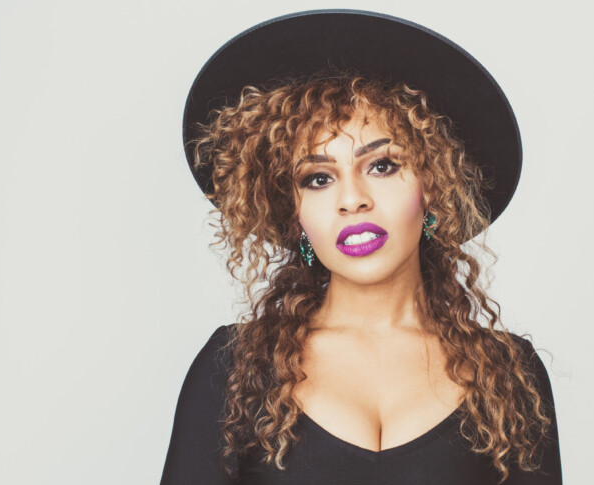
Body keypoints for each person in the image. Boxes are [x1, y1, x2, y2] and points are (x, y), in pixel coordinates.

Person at [161, 10, 561, 485]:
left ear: (434, 186)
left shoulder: (509, 375)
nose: (352, 199)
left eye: (382, 166)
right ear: (294, 215)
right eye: (318, 178)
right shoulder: (233, 369)